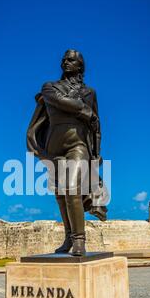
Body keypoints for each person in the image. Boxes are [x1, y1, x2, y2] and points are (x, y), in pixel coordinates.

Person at [27, 49, 107, 256]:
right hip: (54, 147)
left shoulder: (90, 93)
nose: (65, 62)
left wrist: (96, 153)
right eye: (64, 59)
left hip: (77, 144)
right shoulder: (50, 87)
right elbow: (60, 101)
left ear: (80, 66)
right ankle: (69, 238)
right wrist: (83, 110)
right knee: (61, 195)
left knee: (73, 189)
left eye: (71, 60)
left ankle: (80, 239)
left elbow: (96, 125)